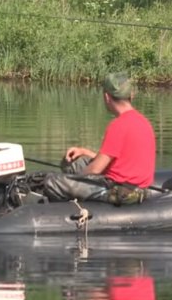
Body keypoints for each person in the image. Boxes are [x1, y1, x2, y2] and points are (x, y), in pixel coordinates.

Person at [43, 72, 156, 205]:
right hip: (136, 187)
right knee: (72, 163)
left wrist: (75, 179)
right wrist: (84, 152)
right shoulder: (144, 122)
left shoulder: (118, 126)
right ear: (131, 95)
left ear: (107, 97)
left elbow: (95, 169)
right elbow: (118, 158)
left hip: (119, 191)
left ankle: (66, 207)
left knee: (51, 182)